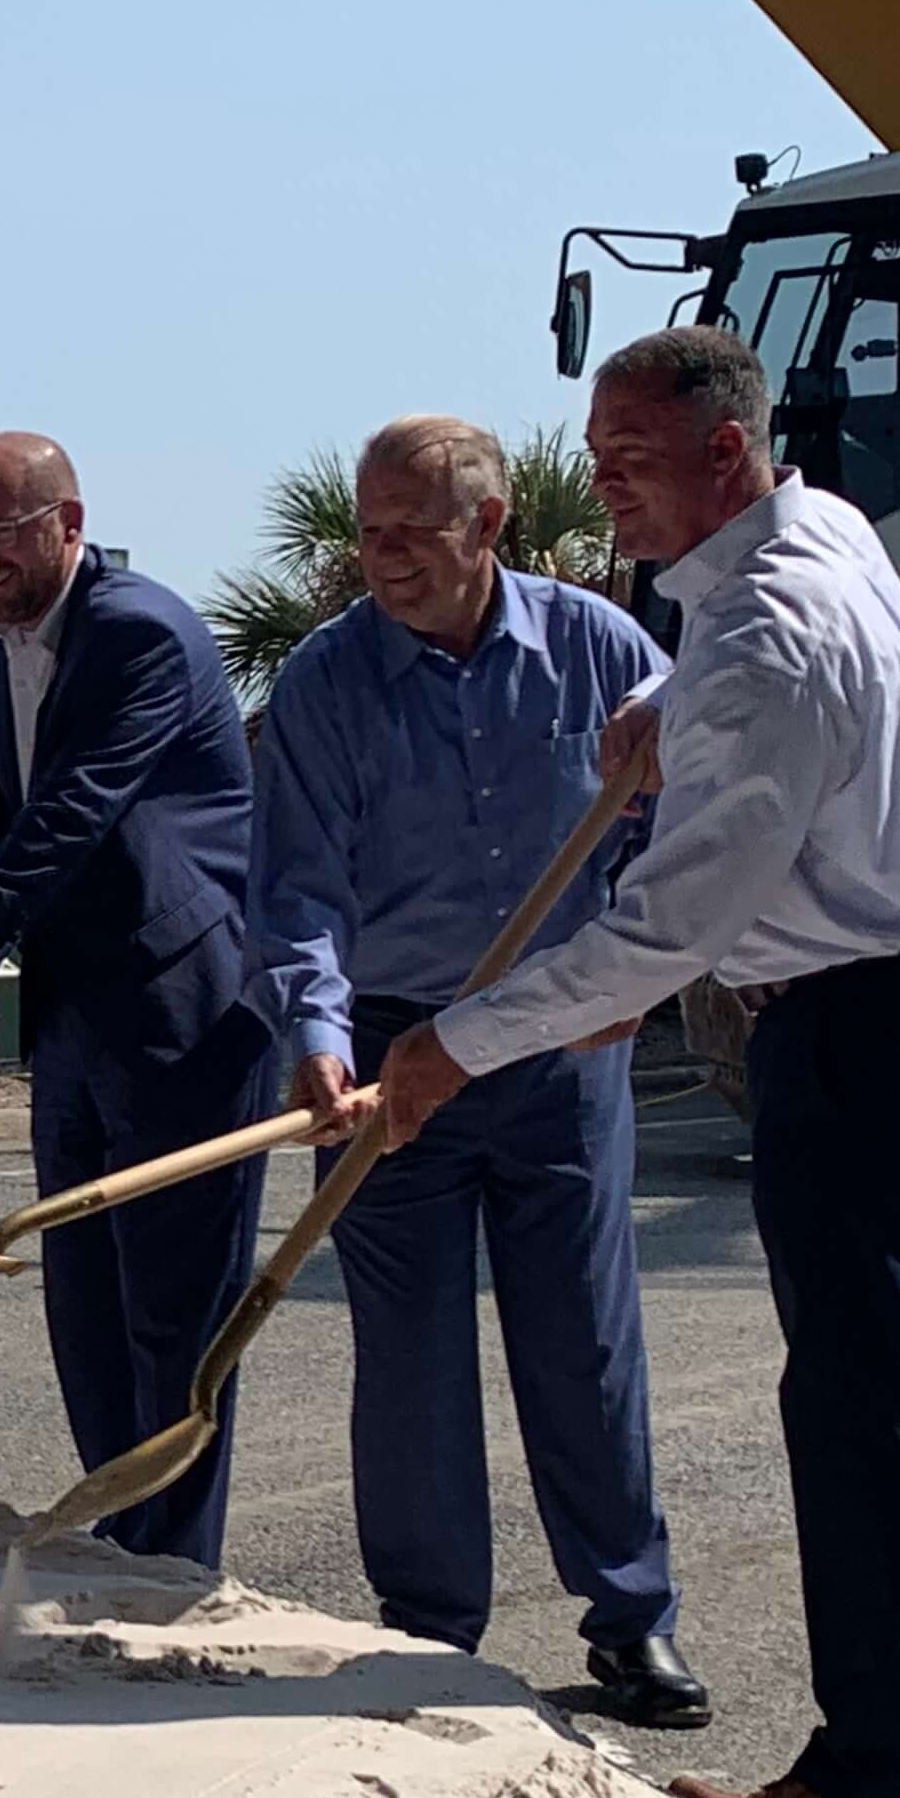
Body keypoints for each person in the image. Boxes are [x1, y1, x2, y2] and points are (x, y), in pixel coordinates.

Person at [381, 328, 900, 1798]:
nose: (601, 483)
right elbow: (738, 674)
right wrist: (661, 710)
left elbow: (660, 937)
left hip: (857, 1025)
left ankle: (874, 1778)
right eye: (597, 450)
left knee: (863, 1406)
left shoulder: (764, 644)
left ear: (726, 453)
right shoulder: (815, 536)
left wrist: (451, 1045)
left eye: (629, 456)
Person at [251, 416, 703, 1727]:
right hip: (398, 1051)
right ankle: (431, 1632)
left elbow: (689, 821)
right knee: (409, 1355)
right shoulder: (328, 687)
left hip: (558, 1040)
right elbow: (295, 894)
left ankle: (632, 1622)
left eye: (410, 531)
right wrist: (322, 1040)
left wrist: (642, 967)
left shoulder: (600, 651)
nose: (380, 558)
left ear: (488, 525)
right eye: (367, 532)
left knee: (585, 1342)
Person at [0, 432, 275, 1565]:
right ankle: (119, 1538)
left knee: (177, 1306)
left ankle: (177, 1562)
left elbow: (71, 809)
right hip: (72, 1003)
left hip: (187, 999)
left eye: (4, 532)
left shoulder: (138, 632)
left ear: (68, 521)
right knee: (87, 1302)